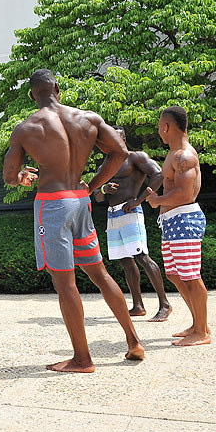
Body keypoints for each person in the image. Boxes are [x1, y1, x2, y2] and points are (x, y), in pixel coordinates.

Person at [3, 69, 144, 373]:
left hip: (52, 205)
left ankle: (82, 359)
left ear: (32, 95)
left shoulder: (26, 128)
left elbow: (9, 176)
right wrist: (92, 186)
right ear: (57, 88)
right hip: (80, 201)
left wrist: (21, 177)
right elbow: (120, 152)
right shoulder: (88, 118)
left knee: (65, 283)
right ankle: (134, 341)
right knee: (100, 274)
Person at [143, 106, 210, 346]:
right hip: (172, 221)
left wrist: (157, 200)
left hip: (184, 219)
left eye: (159, 127)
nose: (158, 131)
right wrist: (160, 202)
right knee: (174, 274)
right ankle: (198, 323)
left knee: (191, 276)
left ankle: (202, 332)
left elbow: (184, 194)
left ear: (165, 127)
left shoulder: (184, 156)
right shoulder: (174, 154)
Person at [92, 126, 172, 321]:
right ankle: (138, 306)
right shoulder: (105, 165)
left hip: (130, 212)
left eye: (117, 138)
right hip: (113, 215)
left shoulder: (135, 157)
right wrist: (104, 189)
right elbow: (97, 196)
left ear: (124, 139)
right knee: (125, 261)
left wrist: (139, 200)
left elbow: (159, 174)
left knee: (142, 256)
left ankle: (165, 304)